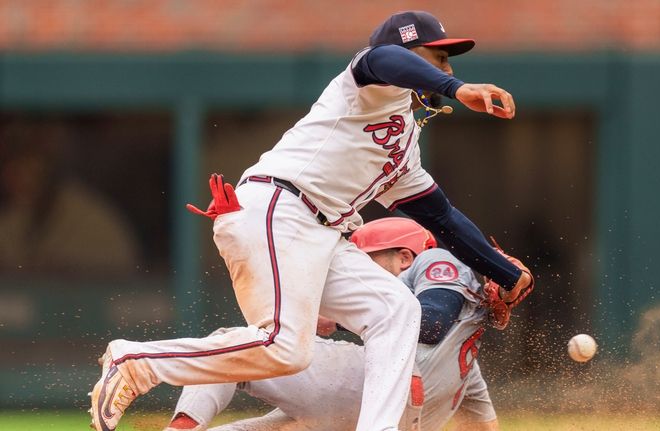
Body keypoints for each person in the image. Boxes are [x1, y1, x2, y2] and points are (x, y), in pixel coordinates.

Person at [89, 10, 533, 431]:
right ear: (409, 56)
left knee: (395, 310)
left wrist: (506, 273)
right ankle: (137, 361)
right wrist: (459, 90)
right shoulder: (367, 85)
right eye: (438, 55)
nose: (447, 67)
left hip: (320, 232)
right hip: (278, 208)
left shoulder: (406, 148)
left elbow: (442, 218)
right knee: (283, 347)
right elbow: (381, 58)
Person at [164, 217, 521, 431]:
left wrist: (338, 316)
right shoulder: (465, 352)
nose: (355, 273)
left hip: (371, 392)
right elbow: (480, 419)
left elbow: (428, 325)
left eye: (365, 261)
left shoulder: (434, 259)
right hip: (376, 414)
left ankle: (182, 424)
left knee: (232, 344)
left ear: (405, 256)